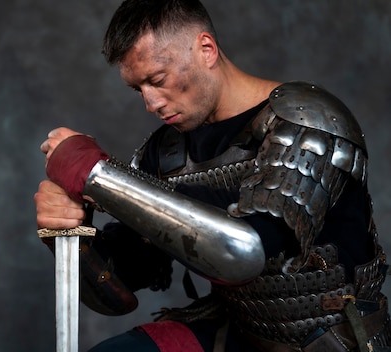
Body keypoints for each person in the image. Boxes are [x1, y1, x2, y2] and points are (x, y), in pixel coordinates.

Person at [34, 0, 391, 351]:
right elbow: (123, 283)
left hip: (325, 339)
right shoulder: (168, 149)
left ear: (206, 49)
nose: (151, 103)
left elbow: (244, 251)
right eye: (137, 88)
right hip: (239, 328)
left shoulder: (307, 123)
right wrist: (70, 231)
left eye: (157, 80)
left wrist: (99, 178)